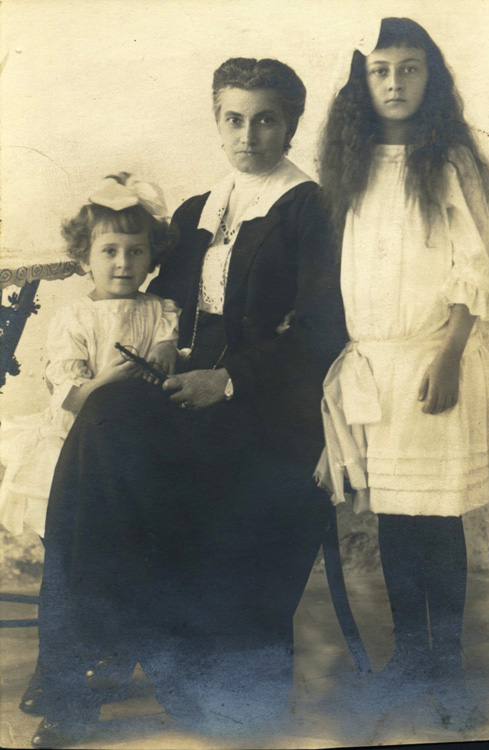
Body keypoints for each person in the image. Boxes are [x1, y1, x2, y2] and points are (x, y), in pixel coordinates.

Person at [31, 58, 344, 748]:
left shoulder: (311, 210)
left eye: (265, 120)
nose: (248, 135)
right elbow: (151, 302)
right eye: (233, 119)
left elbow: (323, 332)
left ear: (291, 124)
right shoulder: (199, 208)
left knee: (107, 436)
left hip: (268, 410)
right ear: (216, 122)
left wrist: (225, 380)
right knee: (102, 420)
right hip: (186, 398)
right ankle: (78, 673)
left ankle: (122, 658)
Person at [315, 17, 489, 728]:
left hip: (436, 361)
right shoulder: (352, 163)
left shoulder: (449, 159)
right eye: (380, 71)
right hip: (376, 368)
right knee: (396, 522)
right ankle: (408, 658)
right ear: (362, 82)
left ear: (430, 77)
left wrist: (450, 356)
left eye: (409, 68)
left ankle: (448, 670)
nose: (395, 83)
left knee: (437, 521)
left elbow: (473, 265)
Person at [0, 172, 179, 713]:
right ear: (84, 258)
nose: (123, 263)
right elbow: (70, 396)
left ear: (152, 257)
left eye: (136, 251)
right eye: (109, 251)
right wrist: (109, 380)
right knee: (71, 552)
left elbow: (168, 363)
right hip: (74, 447)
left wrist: (161, 358)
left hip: (135, 451)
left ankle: (117, 654)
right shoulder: (74, 317)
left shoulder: (161, 311)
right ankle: (55, 665)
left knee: (130, 550)